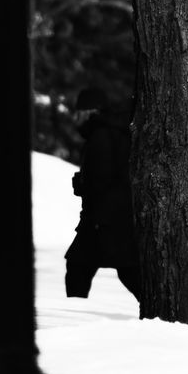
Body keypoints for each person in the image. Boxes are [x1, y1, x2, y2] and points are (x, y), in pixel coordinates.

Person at [65, 87, 141, 300]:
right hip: (111, 219)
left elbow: (103, 180)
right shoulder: (109, 133)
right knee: (126, 271)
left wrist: (83, 185)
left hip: (106, 220)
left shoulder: (101, 137)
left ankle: (75, 316)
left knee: (80, 269)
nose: (76, 118)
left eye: (79, 112)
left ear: (90, 112)